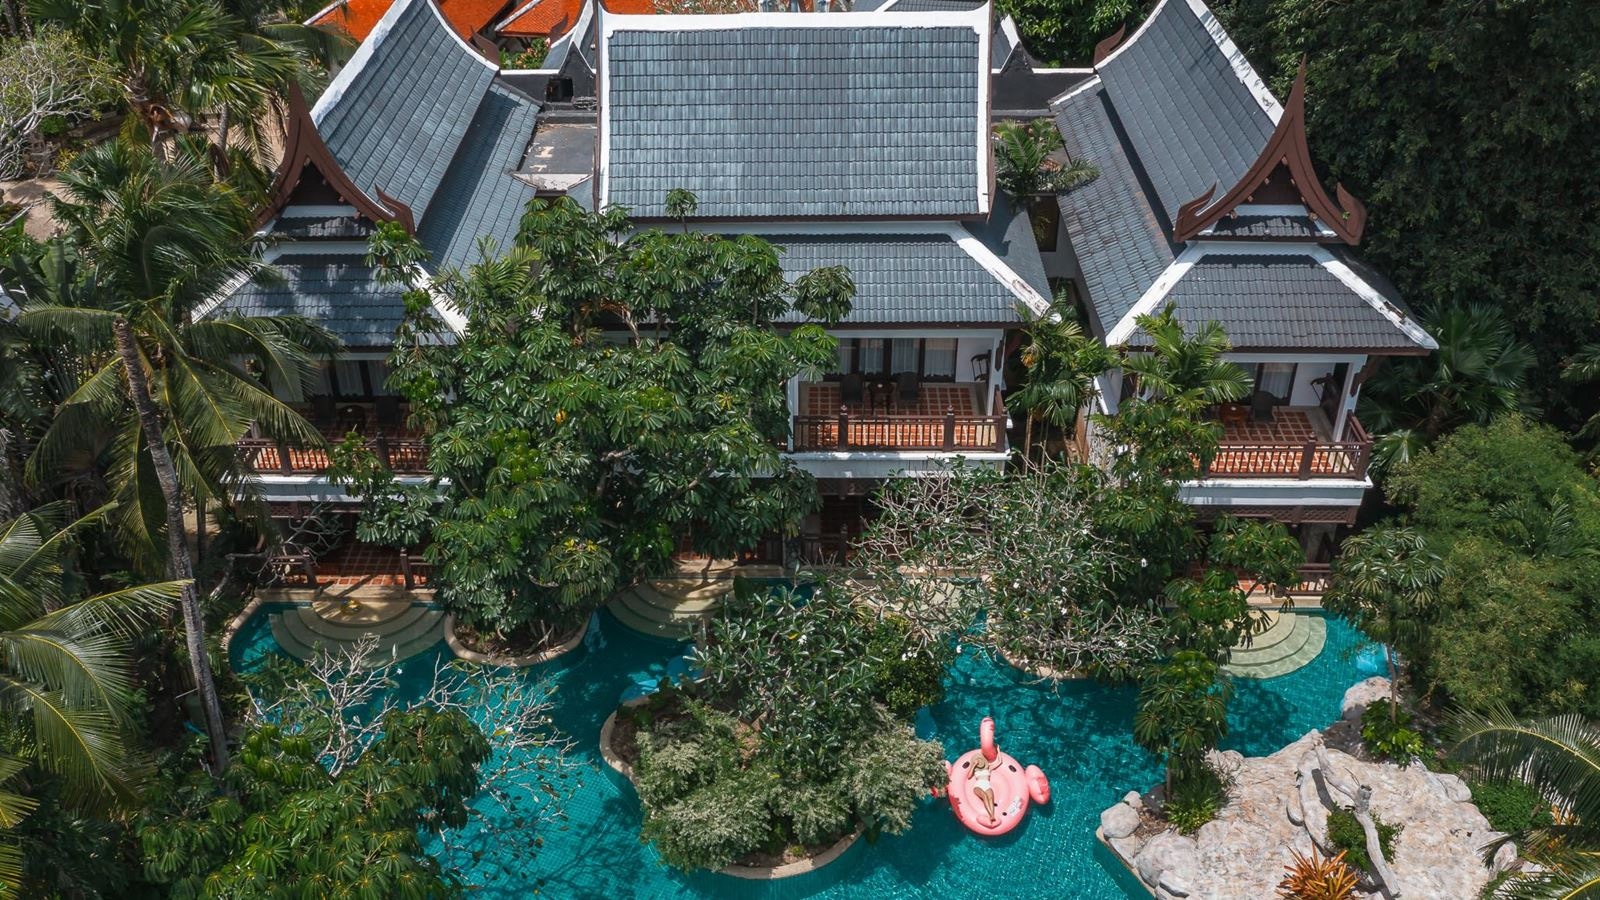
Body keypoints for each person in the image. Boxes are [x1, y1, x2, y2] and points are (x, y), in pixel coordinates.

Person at [970, 755, 998, 826]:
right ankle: (991, 815)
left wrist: (998, 751)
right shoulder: (975, 770)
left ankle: (992, 815)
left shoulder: (988, 768)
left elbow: (999, 762)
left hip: (987, 785)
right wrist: (974, 765)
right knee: (984, 796)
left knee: (991, 798)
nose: (979, 762)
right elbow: (969, 776)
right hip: (978, 786)